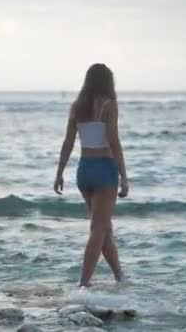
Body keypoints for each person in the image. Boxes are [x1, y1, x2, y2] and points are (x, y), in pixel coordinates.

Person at [54, 63, 129, 288]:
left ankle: (120, 278)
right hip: (104, 168)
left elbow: (68, 143)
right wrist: (124, 175)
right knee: (99, 229)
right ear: (108, 82)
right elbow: (114, 141)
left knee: (105, 228)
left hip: (84, 169)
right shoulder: (109, 105)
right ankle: (84, 284)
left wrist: (59, 173)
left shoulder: (77, 106)